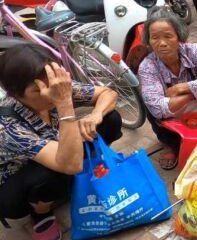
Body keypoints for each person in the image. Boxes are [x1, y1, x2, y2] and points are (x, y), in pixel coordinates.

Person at [0, 44, 122, 239]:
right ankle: (40, 212)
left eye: (52, 83)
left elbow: (108, 94)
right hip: (16, 185)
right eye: (37, 90)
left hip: (58, 152)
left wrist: (95, 115)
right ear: (15, 94)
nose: (50, 92)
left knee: (110, 118)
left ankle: (92, 169)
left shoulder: (57, 87)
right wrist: (64, 104)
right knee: (53, 172)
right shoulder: (6, 124)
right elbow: (70, 164)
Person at [138, 7, 197, 170]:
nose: (162, 43)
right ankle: (169, 144)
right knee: (149, 103)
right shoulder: (148, 66)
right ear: (148, 41)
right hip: (174, 115)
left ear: (179, 37)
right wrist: (195, 94)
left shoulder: (193, 50)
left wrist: (182, 88)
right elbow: (158, 108)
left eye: (168, 36)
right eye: (155, 38)